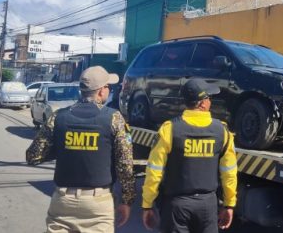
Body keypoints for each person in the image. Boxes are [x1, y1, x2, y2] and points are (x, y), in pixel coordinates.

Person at [26, 66, 135, 232]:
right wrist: (127, 200)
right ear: (101, 91)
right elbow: (125, 164)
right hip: (98, 205)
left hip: (63, 202)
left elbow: (33, 156)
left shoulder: (58, 116)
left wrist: (62, 148)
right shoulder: (114, 118)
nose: (109, 90)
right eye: (108, 87)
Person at [142, 78, 238, 233]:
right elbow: (229, 173)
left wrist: (147, 204)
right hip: (208, 206)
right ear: (202, 103)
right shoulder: (222, 131)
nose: (210, 102)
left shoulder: (169, 129)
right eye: (209, 98)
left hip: (176, 206)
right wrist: (229, 204)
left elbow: (154, 171)